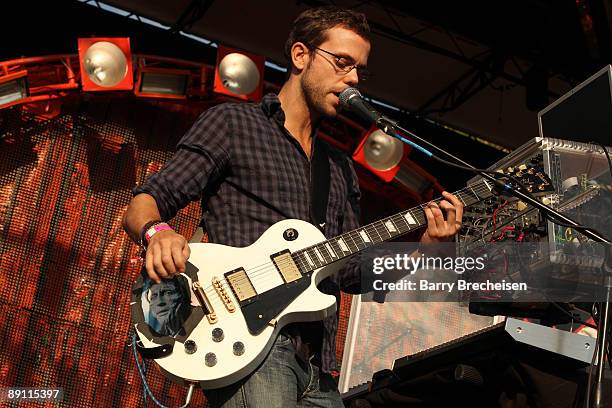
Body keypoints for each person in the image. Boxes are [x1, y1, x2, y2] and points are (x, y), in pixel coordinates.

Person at [122, 6, 464, 407]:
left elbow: (351, 271)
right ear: (301, 56)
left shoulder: (339, 169)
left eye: (359, 69)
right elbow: (146, 201)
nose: (353, 78)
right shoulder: (234, 123)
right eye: (342, 62)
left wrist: (424, 251)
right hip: (252, 350)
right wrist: (158, 233)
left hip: (318, 369)